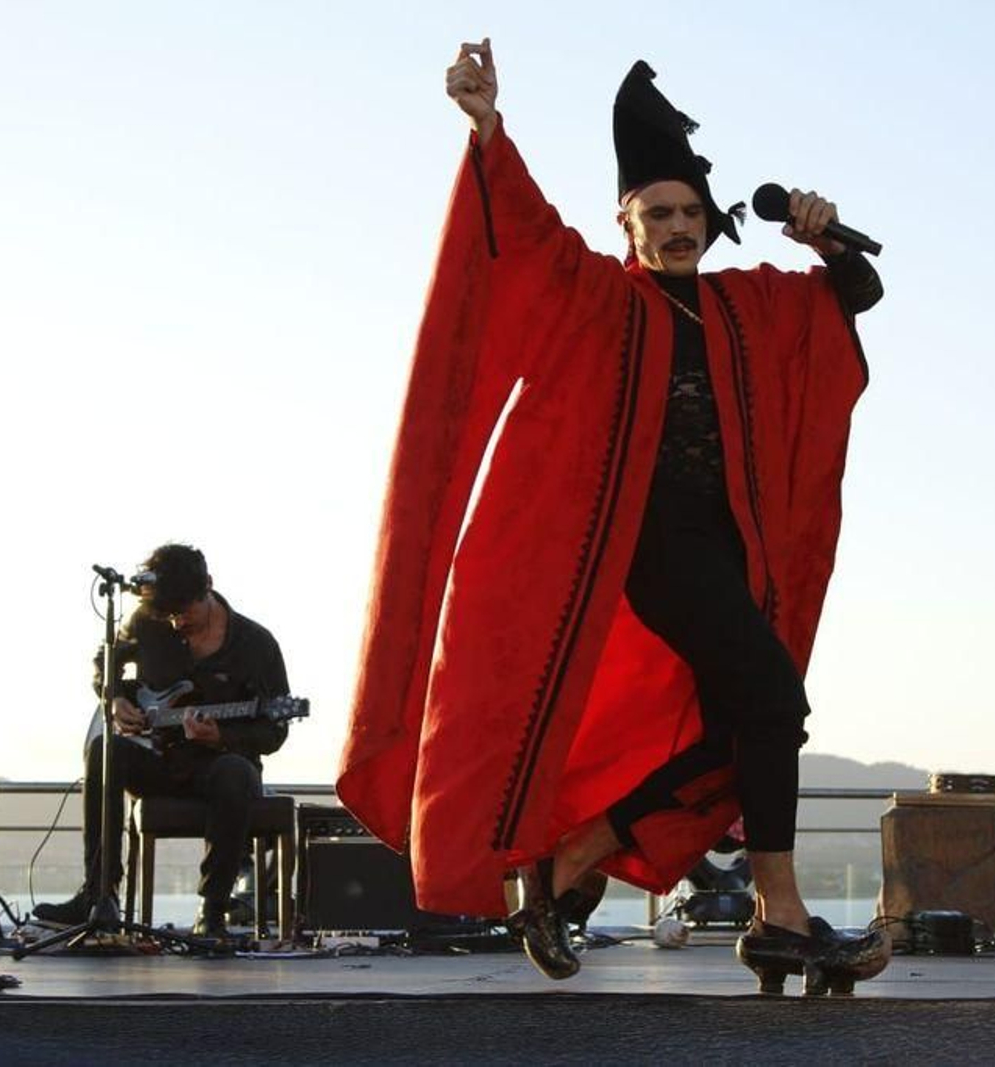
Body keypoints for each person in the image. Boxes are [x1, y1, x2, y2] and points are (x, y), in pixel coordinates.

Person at [338, 41, 885, 991]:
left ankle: (576, 861)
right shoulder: (600, 299)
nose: (677, 228)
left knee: (760, 718)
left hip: (729, 550)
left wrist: (825, 236)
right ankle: (779, 914)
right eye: (657, 213)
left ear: (712, 225)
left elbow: (853, 298)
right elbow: (521, 231)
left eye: (689, 214)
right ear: (626, 222)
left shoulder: (744, 305)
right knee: (767, 696)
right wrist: (487, 128)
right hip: (650, 552)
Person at [34, 543, 291, 938]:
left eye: (184, 612)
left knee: (235, 774)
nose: (176, 623)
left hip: (216, 764)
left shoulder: (256, 645)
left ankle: (213, 910)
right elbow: (106, 661)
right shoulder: (145, 622)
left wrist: (221, 735)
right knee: (105, 751)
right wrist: (115, 696)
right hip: (157, 759)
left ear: (208, 586)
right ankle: (98, 893)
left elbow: (274, 732)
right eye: (168, 615)